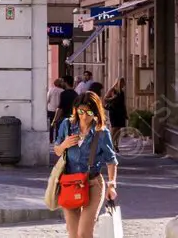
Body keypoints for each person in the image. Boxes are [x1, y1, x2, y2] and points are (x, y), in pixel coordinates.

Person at [53, 92, 119, 238]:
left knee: (84, 233)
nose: (84, 116)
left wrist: (112, 184)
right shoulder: (67, 126)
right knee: (74, 233)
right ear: (76, 109)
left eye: (89, 112)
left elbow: (111, 160)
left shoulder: (101, 132)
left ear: (95, 112)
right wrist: (64, 144)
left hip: (93, 184)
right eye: (81, 111)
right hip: (70, 183)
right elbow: (57, 151)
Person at [105, 78, 128, 148]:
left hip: (120, 111)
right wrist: (113, 98)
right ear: (118, 83)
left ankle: (116, 144)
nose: (124, 84)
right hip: (113, 111)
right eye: (122, 83)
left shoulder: (122, 92)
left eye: (124, 83)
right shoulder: (113, 90)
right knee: (114, 128)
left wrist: (126, 113)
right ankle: (111, 143)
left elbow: (123, 103)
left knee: (119, 128)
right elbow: (105, 99)